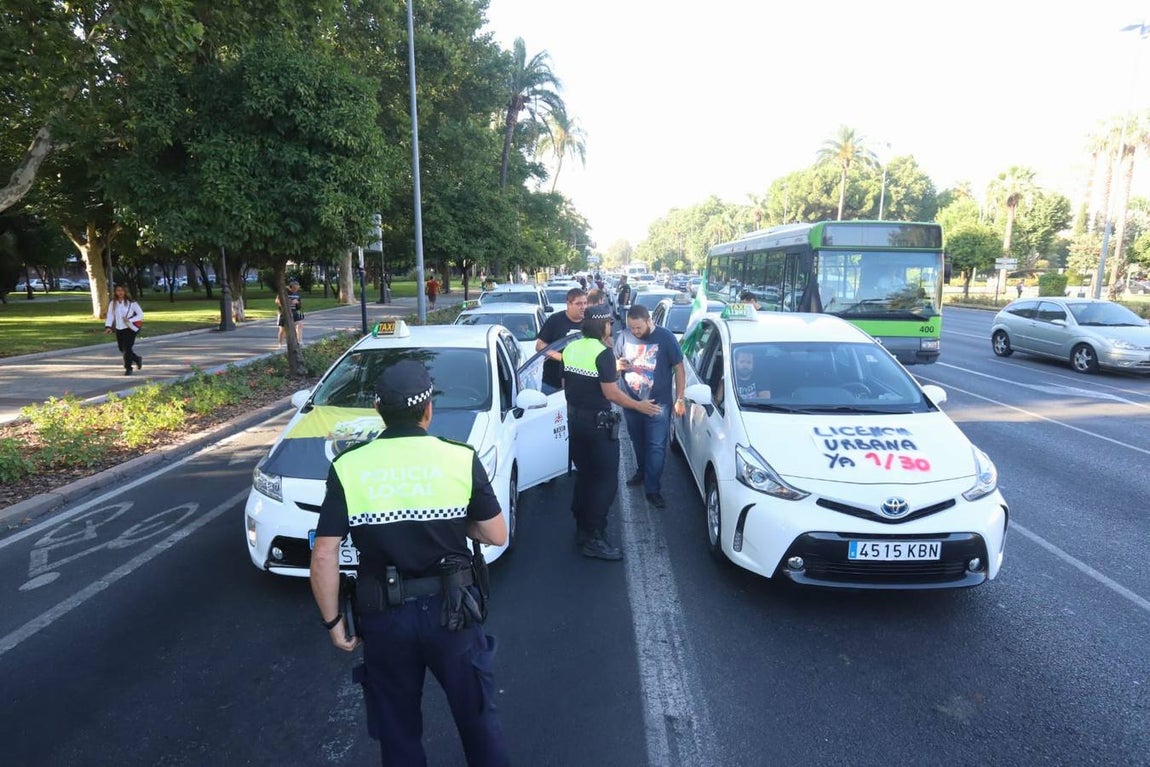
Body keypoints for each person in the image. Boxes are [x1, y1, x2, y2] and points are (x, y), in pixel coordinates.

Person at [310, 360, 510, 767]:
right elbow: (495, 534)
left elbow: (325, 553)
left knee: (398, 731)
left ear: (380, 411)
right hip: (453, 613)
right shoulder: (459, 458)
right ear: (428, 410)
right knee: (477, 719)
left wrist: (334, 623)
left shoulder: (349, 466)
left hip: (385, 617)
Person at [563, 305, 662, 559]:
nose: (611, 326)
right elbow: (611, 393)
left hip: (575, 423)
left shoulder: (572, 347)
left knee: (585, 476)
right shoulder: (603, 353)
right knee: (605, 482)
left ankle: (581, 528)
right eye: (608, 322)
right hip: (598, 428)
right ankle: (594, 537)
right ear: (603, 325)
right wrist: (639, 405)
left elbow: (570, 383)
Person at [614, 304, 685, 509]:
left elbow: (679, 369)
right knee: (638, 441)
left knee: (656, 446)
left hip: (657, 404)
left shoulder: (666, 338)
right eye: (631, 328)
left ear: (648, 321)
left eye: (638, 328)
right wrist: (618, 366)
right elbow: (614, 368)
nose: (634, 332)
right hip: (632, 402)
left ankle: (652, 488)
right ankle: (642, 471)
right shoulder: (623, 337)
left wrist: (680, 398)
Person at [534, 287, 587, 394]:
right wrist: (562, 358)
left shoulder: (590, 322)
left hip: (581, 384)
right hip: (552, 383)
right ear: (568, 304)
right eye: (579, 304)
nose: (583, 307)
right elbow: (539, 345)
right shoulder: (555, 320)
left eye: (585, 303)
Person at [103, 284, 144, 376]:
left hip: (130, 328)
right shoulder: (113, 303)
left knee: (127, 348)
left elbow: (140, 315)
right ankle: (137, 359)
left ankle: (128, 368)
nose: (120, 292)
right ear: (115, 292)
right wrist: (108, 327)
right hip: (119, 328)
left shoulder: (132, 303)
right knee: (122, 348)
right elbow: (110, 315)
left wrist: (130, 320)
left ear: (125, 291)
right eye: (118, 290)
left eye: (122, 290)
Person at [276, 279, 303, 346]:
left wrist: (297, 303)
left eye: (297, 288)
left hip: (294, 312)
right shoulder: (284, 292)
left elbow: (299, 305)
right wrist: (289, 302)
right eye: (294, 288)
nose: (295, 290)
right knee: (283, 329)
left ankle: (299, 341)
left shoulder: (297, 294)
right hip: (284, 312)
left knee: (299, 325)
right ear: (290, 287)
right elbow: (277, 301)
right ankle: (280, 344)